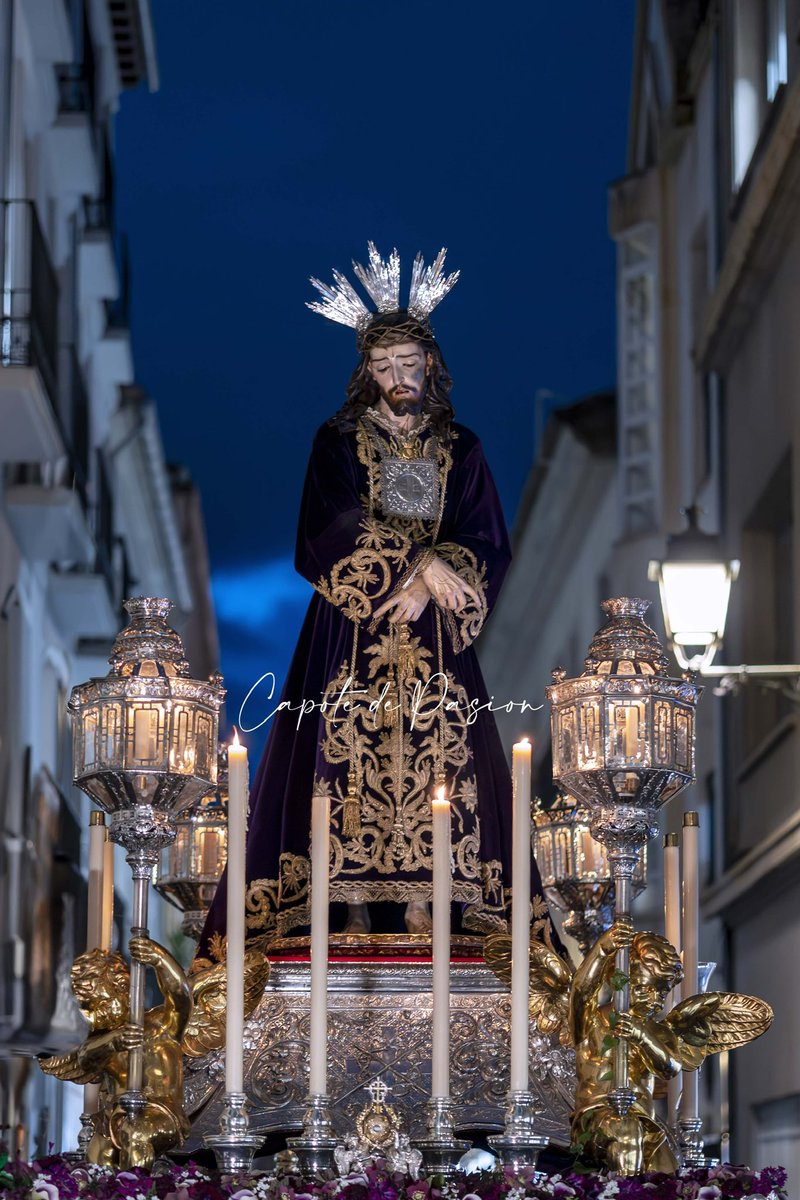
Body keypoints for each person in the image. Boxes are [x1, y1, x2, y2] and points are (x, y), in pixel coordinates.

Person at [198, 244, 556, 954]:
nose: (399, 379)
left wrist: (441, 577)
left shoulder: (464, 448)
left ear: (431, 368)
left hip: (433, 645)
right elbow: (325, 527)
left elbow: (486, 538)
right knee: (340, 760)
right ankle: (343, 904)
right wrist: (417, 566)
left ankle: (437, 899)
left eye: (410, 366)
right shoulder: (337, 442)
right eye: (385, 367)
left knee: (442, 760)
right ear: (367, 372)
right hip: (351, 631)